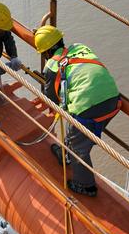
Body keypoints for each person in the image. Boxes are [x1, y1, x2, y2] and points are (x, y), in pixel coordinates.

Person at [35, 25, 121, 197]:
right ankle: (66, 155)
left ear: (46, 52)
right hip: (113, 100)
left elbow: (51, 99)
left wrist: (49, 81)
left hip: (88, 106)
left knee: (78, 146)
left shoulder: (52, 65)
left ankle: (86, 185)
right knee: (76, 134)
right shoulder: (80, 47)